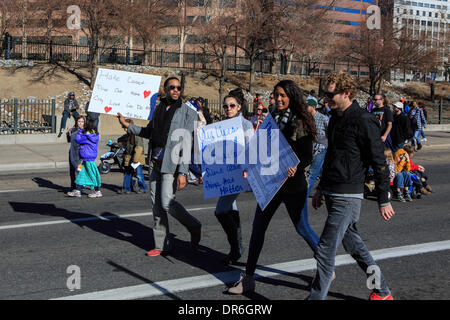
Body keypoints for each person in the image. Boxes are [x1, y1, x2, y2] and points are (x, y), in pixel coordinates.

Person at [227, 79, 320, 294]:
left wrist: (297, 166)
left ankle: (325, 265)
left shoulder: (300, 122)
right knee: (258, 229)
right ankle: (248, 279)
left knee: (302, 227)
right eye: (276, 95)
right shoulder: (271, 118)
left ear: (291, 97)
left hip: (293, 184)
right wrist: (250, 165)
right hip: (270, 183)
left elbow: (307, 155)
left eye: (282, 96)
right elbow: (261, 147)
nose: (278, 99)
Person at [308, 71, 395, 300]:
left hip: (348, 195)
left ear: (346, 93)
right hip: (332, 190)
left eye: (330, 94)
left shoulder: (364, 120)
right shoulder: (335, 117)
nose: (325, 98)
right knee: (356, 248)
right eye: (324, 93)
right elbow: (331, 156)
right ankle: (383, 292)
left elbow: (379, 161)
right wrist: (320, 188)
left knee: (325, 249)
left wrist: (383, 198)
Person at [117, 76, 201, 257]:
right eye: (172, 87)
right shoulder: (158, 109)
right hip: (155, 162)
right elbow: (148, 132)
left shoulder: (187, 113)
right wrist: (128, 126)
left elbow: (187, 143)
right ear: (165, 89)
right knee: (156, 206)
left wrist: (183, 172)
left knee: (167, 203)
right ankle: (162, 244)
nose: (176, 90)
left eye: (179, 87)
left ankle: (194, 226)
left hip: (172, 164)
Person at [215, 89, 254, 265]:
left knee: (221, 211)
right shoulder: (224, 124)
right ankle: (236, 248)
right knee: (231, 208)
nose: (228, 108)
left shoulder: (245, 125)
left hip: (238, 172)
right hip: (225, 173)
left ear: (239, 107)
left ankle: (236, 248)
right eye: (226, 106)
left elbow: (251, 149)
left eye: (232, 105)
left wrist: (247, 170)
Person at [67, 119, 102, 198]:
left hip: (88, 158)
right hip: (87, 158)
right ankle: (78, 190)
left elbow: (78, 139)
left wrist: (80, 131)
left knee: (92, 175)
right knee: (82, 175)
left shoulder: (86, 136)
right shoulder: (93, 134)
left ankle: (97, 191)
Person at [305, 98, 328, 195]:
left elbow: (330, 133)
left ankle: (304, 194)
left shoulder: (323, 118)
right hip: (309, 148)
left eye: (307, 106)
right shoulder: (305, 119)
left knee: (312, 173)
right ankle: (323, 192)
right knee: (322, 172)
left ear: (313, 107)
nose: (305, 108)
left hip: (320, 149)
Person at [119, 119, 148, 194]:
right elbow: (121, 140)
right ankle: (126, 188)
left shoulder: (136, 135)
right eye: (124, 128)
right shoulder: (128, 135)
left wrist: (135, 160)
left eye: (125, 127)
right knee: (127, 174)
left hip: (137, 159)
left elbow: (139, 148)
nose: (125, 129)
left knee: (139, 174)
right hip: (129, 158)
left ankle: (143, 188)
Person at [67, 116, 86, 192]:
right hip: (72, 152)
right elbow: (69, 141)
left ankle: (80, 185)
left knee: (79, 170)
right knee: (71, 170)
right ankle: (73, 185)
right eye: (79, 121)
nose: (80, 123)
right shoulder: (73, 130)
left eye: (82, 122)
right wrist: (68, 133)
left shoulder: (85, 131)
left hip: (80, 154)